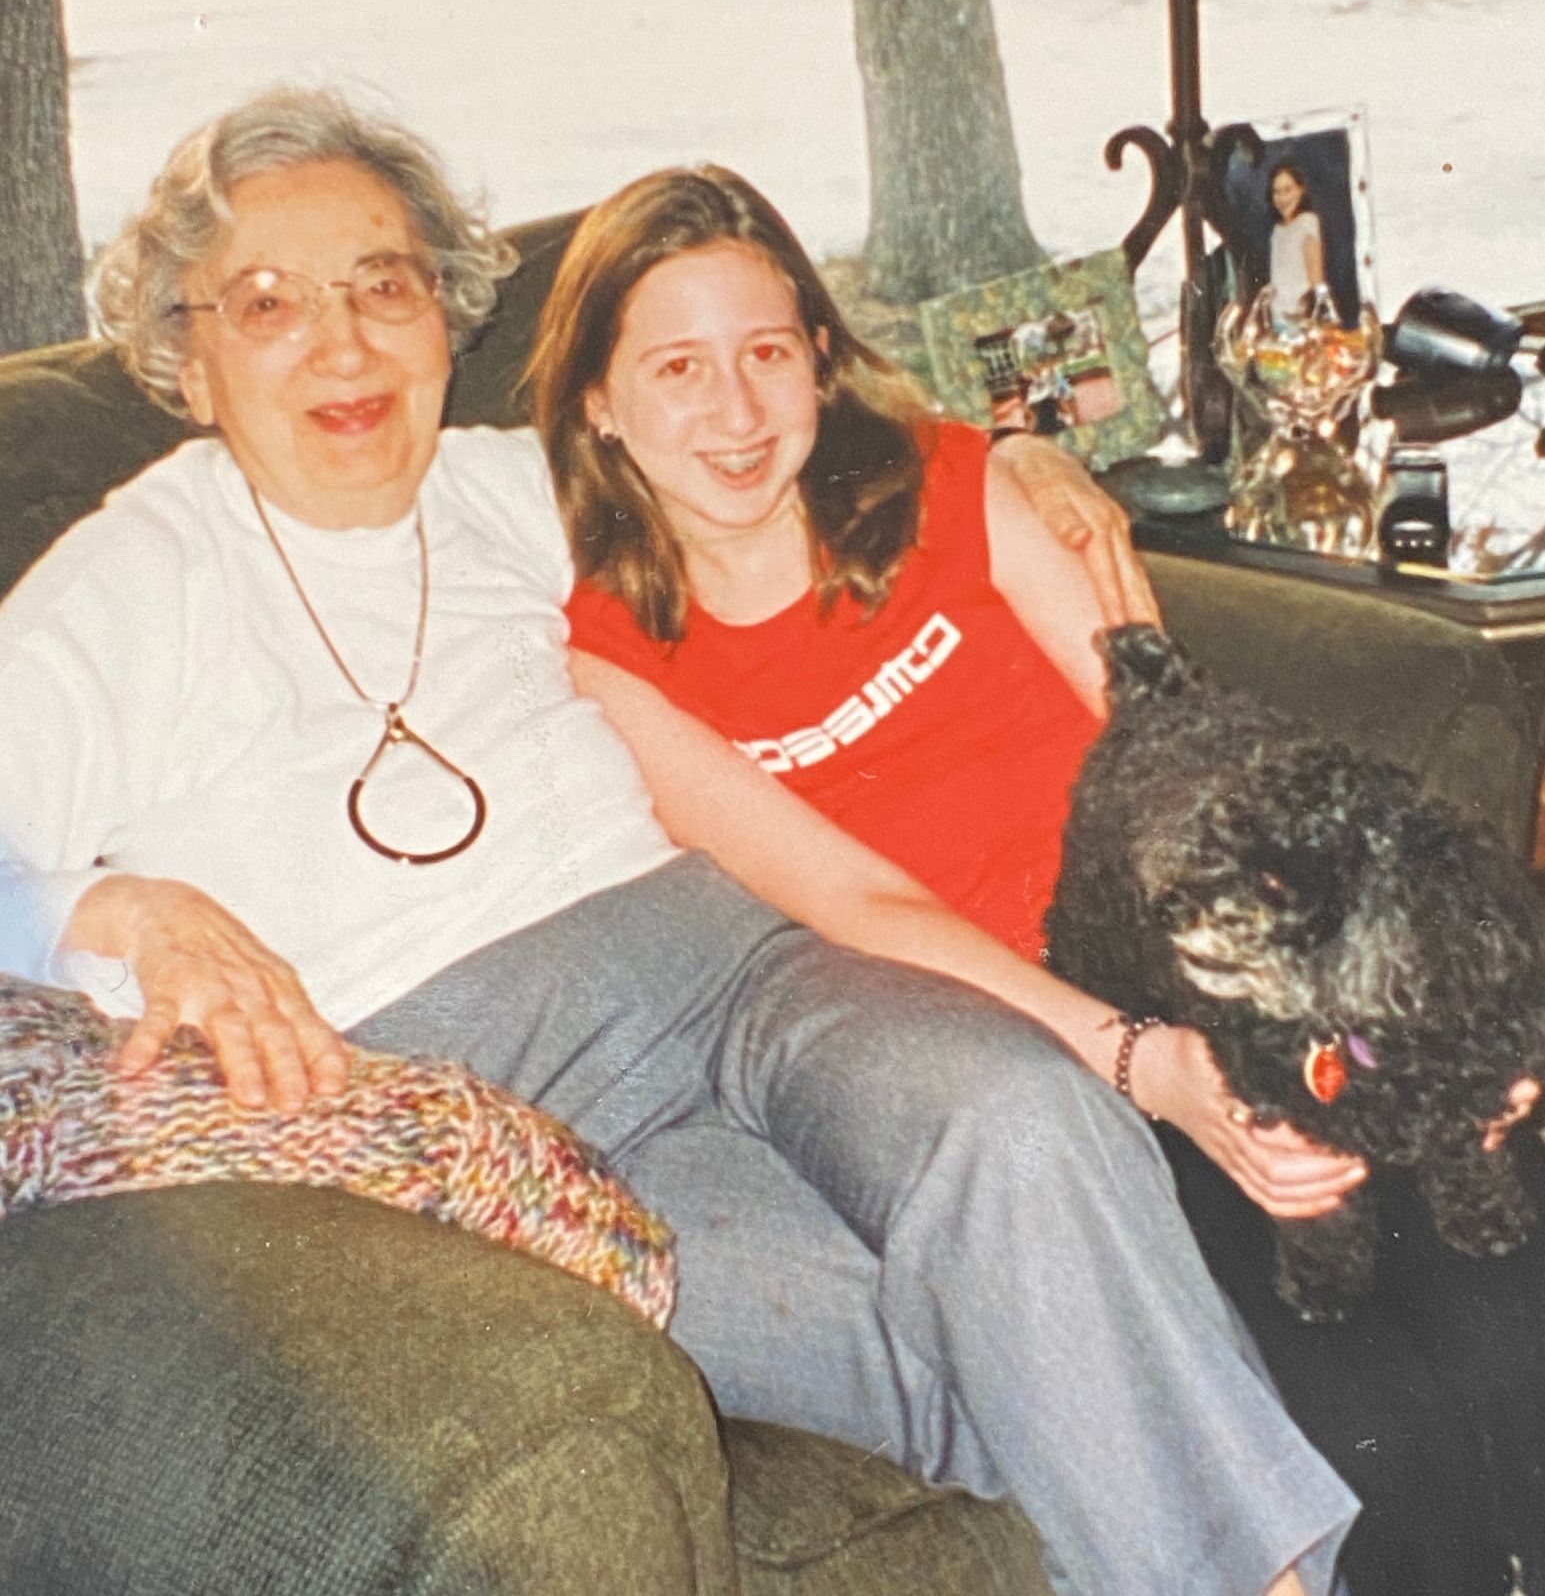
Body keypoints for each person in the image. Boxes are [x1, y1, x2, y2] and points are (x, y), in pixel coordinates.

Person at [0, 90, 1357, 1596]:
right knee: (997, 1342)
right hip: (501, 1117)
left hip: (752, 969)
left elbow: (783, 442)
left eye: (381, 286)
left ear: (447, 320)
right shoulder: (129, 581)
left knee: (1023, 1120)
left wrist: (1020, 452)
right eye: (266, 304)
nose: (343, 345)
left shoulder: (524, 490)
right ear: (188, 359)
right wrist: (124, 911)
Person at [535, 164, 1545, 1596]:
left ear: (819, 356)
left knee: (1504, 1294)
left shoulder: (959, 483)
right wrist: (1155, 1073)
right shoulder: (609, 657)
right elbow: (866, 911)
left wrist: (1411, 998)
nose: (737, 411)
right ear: (597, 403)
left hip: (1206, 953)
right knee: (1356, 1414)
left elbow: (1178, 759)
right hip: (1035, 1053)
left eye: (767, 352)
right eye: (677, 368)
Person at [1267, 160, 1325, 320]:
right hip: (1277, 316)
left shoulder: (1307, 222)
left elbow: (1316, 278)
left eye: (1288, 190)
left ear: (1301, 190)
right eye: (1277, 192)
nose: (1282, 198)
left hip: (1301, 317)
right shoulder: (1277, 230)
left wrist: (1313, 314)